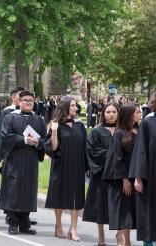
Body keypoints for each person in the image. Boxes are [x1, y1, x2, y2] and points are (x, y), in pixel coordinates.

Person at [0, 90, 46, 235]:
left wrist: (38, 142)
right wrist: (24, 140)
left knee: (28, 191)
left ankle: (25, 223)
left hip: (31, 160)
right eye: (25, 100)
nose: (28, 102)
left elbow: (45, 140)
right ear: (19, 101)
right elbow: (5, 137)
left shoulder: (38, 120)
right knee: (14, 190)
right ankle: (13, 223)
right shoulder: (10, 117)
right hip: (14, 160)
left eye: (31, 100)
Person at [44, 97, 88, 241]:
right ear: (66, 107)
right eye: (74, 106)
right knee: (59, 194)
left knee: (76, 196)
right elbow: (53, 148)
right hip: (61, 165)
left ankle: (73, 229)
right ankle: (58, 225)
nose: (76, 108)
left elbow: (85, 148)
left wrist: (87, 167)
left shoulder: (80, 126)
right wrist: (55, 132)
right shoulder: (56, 125)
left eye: (76, 106)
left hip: (77, 166)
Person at [103, 102, 141, 246]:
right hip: (125, 178)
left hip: (138, 175)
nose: (139, 113)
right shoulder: (120, 134)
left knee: (133, 210)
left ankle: (128, 238)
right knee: (125, 211)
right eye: (136, 112)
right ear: (129, 115)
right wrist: (124, 178)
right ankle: (126, 240)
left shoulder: (141, 131)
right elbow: (117, 157)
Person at [83, 103, 120, 245]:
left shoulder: (123, 131)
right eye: (108, 112)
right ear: (103, 114)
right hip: (101, 174)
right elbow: (92, 151)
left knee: (120, 206)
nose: (111, 115)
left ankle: (120, 233)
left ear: (118, 113)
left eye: (114, 112)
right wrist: (114, 155)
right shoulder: (97, 132)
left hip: (119, 175)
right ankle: (101, 235)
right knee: (100, 205)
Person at [129, 90, 156, 245]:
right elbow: (141, 151)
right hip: (153, 175)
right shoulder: (149, 122)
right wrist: (138, 177)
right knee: (150, 211)